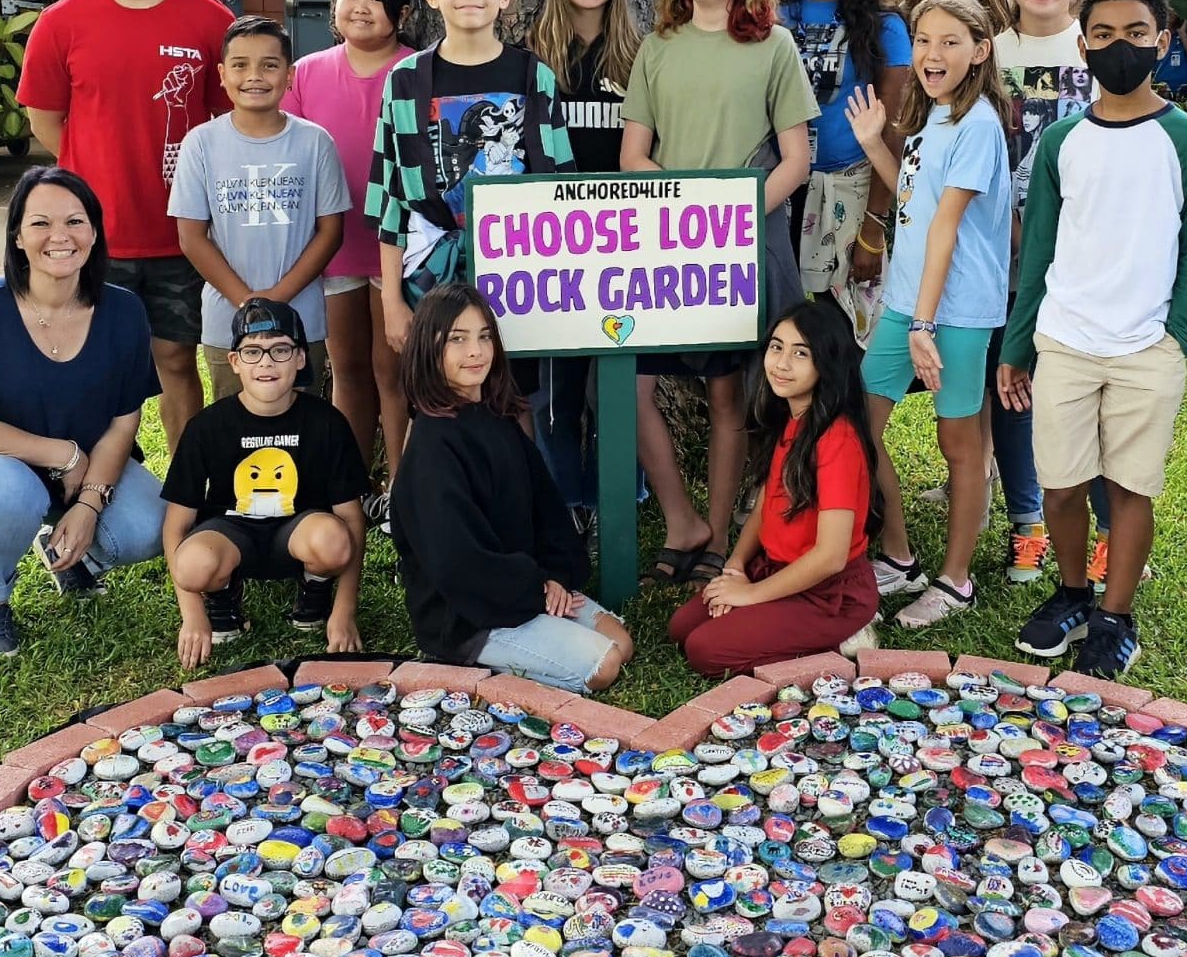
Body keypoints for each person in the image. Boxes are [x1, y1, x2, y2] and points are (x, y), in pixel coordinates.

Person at [999, 0, 1187, 678]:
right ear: (1083, 45)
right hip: (1065, 339)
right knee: (1062, 485)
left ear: (1162, 39)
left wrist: (1178, 334)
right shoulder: (1063, 140)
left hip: (1147, 347)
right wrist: (1018, 344)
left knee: (1129, 488)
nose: (1118, 46)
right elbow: (1039, 247)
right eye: (1102, 34)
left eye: (1134, 33)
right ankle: (1072, 594)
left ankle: (1115, 616)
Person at [620, 0, 816, 589]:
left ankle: (721, 531)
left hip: (738, 246)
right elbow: (633, 155)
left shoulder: (774, 47)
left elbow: (796, 161)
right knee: (627, 389)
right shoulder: (657, 47)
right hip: (666, 245)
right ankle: (682, 521)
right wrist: (684, 216)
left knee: (727, 393)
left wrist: (727, 220)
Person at [16, 0, 233, 455]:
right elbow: (46, 121)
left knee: (176, 361)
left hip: (182, 234)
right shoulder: (61, 24)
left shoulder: (211, 21)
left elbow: (230, 125)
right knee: (92, 366)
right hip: (92, 237)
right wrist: (96, 173)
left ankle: (187, 487)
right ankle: (93, 486)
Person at [0, 167, 166, 658]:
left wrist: (89, 504)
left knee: (150, 524)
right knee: (12, 494)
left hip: (81, 471)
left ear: (94, 232)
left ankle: (69, 552)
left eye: (75, 221)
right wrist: (62, 454)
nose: (60, 236)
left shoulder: (124, 311)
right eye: (40, 223)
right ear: (17, 236)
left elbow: (124, 421)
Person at [850, 0, 1011, 631]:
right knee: (858, 424)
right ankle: (900, 556)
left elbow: (946, 226)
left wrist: (924, 324)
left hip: (959, 311)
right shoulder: (933, 117)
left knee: (958, 443)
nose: (932, 54)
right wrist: (874, 144)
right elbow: (914, 201)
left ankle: (956, 580)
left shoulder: (978, 125)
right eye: (923, 40)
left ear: (980, 51)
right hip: (906, 301)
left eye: (950, 41)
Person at [388, 283, 634, 693]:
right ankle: (478, 670)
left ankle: (532, 646)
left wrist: (556, 576)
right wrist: (534, 590)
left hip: (528, 588)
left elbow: (546, 510)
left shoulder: (495, 419)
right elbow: (458, 561)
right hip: (470, 616)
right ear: (429, 349)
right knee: (603, 666)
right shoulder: (432, 446)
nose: (475, 352)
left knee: (620, 642)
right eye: (457, 339)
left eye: (484, 337)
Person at [367, 0, 572, 387]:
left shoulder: (534, 76)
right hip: (432, 270)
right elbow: (390, 198)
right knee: (438, 392)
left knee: (515, 393)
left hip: (519, 267)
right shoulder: (405, 81)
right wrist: (391, 302)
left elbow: (562, 184)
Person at [669, 299, 882, 675]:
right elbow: (766, 507)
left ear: (827, 363)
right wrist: (736, 567)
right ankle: (777, 620)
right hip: (773, 569)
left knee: (705, 650)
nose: (781, 364)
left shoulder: (838, 439)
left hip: (828, 592)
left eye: (800, 353)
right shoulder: (792, 418)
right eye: (776, 347)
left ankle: (842, 639)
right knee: (682, 629)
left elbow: (831, 556)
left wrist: (750, 595)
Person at [160, 298, 369, 665]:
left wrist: (345, 609)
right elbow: (176, 524)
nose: (266, 363)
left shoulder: (327, 422)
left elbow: (352, 517)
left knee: (334, 541)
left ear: (301, 358)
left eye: (281, 350)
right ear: (235, 362)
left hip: (299, 531)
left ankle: (315, 588)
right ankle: (221, 596)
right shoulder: (207, 426)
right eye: (252, 351)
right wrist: (191, 614)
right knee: (192, 563)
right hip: (231, 533)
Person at [281, 0, 416, 507]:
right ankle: (352, 486)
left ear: (402, 13)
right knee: (349, 368)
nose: (360, 8)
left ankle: (403, 488)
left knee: (394, 371)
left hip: (397, 247)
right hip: (331, 244)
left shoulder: (418, 71)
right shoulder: (306, 73)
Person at [991, 0, 1100, 586]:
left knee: (1090, 393)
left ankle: (1108, 531)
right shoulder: (989, 53)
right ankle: (1026, 524)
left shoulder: (1098, 52)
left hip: (1086, 260)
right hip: (1002, 255)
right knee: (1014, 386)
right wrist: (1015, 236)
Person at [524, 0, 644, 520]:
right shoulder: (531, 56)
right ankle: (564, 501)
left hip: (626, 241)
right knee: (556, 388)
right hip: (554, 245)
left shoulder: (641, 54)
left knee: (619, 380)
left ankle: (615, 493)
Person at [169, 14, 350, 404]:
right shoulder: (200, 144)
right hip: (227, 324)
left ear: (289, 75)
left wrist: (277, 298)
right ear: (221, 74)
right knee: (233, 425)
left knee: (301, 425)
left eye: (269, 65)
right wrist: (246, 302)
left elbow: (330, 232)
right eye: (240, 65)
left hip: (300, 321)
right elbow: (191, 237)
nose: (254, 76)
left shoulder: (315, 142)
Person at [775, 0, 911, 325]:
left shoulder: (884, 25)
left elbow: (894, 128)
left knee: (846, 327)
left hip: (851, 189)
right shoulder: (770, 17)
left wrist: (874, 225)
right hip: (779, 189)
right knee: (777, 319)